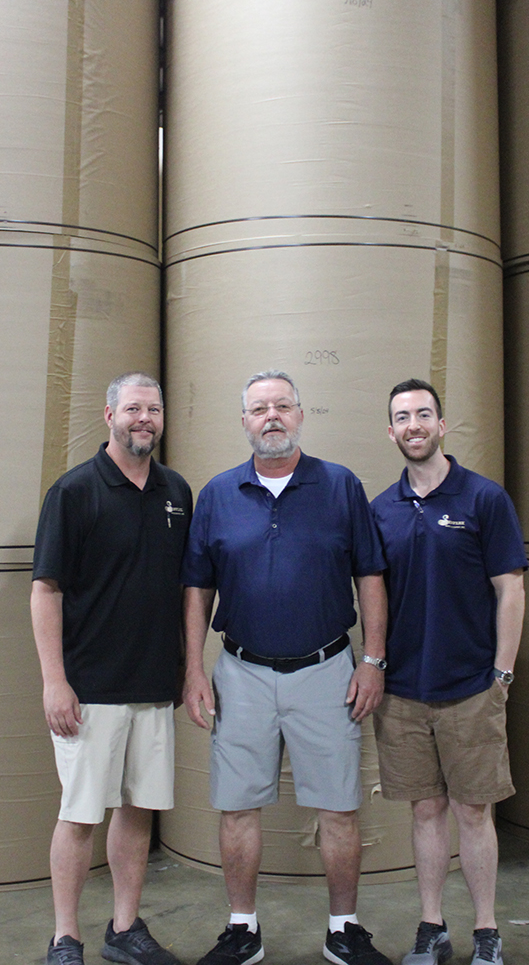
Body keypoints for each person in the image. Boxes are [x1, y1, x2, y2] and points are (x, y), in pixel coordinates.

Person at [182, 369, 393, 965]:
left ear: (300, 415)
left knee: (339, 806)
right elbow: (197, 589)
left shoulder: (340, 486)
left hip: (327, 671)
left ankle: (343, 929)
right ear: (244, 421)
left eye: (282, 405)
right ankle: (242, 930)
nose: (271, 416)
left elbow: (370, 576)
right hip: (241, 673)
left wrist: (373, 660)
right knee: (236, 806)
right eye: (259, 409)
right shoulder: (218, 494)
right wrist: (194, 669)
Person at [31, 372, 192, 965]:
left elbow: (185, 589)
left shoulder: (177, 492)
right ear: (109, 415)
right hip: (90, 688)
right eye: (132, 409)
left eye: (153, 409)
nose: (143, 419)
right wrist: (55, 681)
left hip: (154, 685)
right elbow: (46, 591)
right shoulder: (74, 492)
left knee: (137, 809)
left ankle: (124, 928)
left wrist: (186, 669)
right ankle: (65, 937)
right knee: (79, 816)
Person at [370, 379, 527, 965]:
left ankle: (486, 931)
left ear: (442, 425)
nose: (413, 425)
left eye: (423, 414)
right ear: (390, 431)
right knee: (425, 809)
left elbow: (510, 589)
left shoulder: (484, 499)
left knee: (473, 811)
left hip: (470, 689)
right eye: (402, 417)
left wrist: (501, 675)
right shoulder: (380, 510)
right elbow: (373, 595)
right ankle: (431, 926)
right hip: (403, 692)